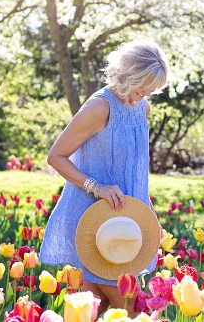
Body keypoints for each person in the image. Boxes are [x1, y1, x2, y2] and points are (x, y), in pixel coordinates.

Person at [40, 40, 170, 316]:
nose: (146, 94)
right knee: (134, 310)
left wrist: (147, 212)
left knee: (92, 308)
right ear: (126, 76)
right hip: (99, 221)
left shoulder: (142, 107)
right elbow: (56, 156)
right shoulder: (99, 108)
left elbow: (136, 169)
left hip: (127, 221)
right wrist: (95, 187)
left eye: (152, 90)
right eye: (142, 87)